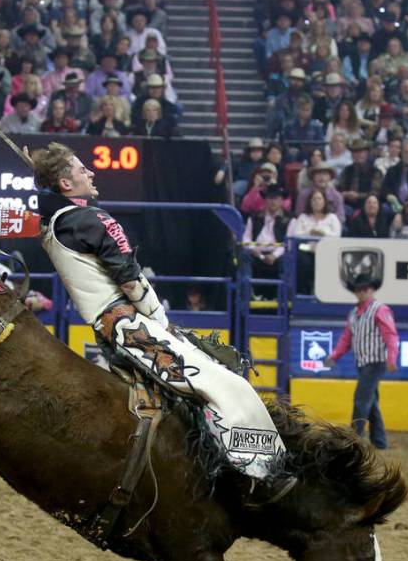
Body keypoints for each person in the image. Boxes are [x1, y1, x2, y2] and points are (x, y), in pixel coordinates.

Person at [31, 141, 295, 502]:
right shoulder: (95, 220)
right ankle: (265, 474)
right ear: (65, 183)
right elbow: (130, 277)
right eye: (80, 169)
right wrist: (161, 319)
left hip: (110, 328)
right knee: (228, 386)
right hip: (130, 326)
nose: (90, 172)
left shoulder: (54, 224)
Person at [323, 271, 398, 450]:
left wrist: (391, 358)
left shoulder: (380, 309)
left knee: (361, 400)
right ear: (356, 292)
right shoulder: (354, 314)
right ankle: (379, 441)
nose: (362, 292)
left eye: (366, 289)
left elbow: (391, 335)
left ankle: (353, 440)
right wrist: (334, 356)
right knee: (370, 401)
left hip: (374, 362)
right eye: (359, 289)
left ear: (372, 290)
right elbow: (346, 339)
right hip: (363, 362)